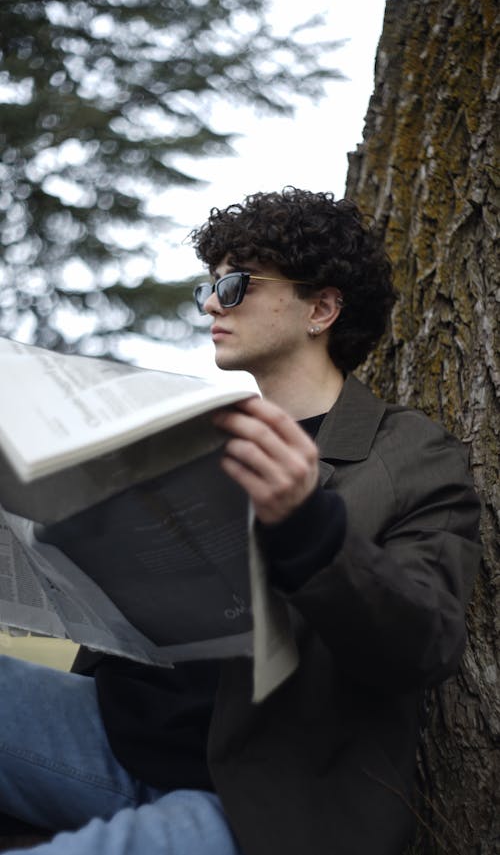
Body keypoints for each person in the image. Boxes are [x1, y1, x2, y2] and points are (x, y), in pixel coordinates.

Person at [0, 188, 481, 855]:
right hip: (111, 742)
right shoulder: (186, 433)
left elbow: (425, 641)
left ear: (322, 307)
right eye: (210, 284)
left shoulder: (411, 454)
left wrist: (311, 530)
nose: (209, 305)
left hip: (261, 798)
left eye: (233, 285)